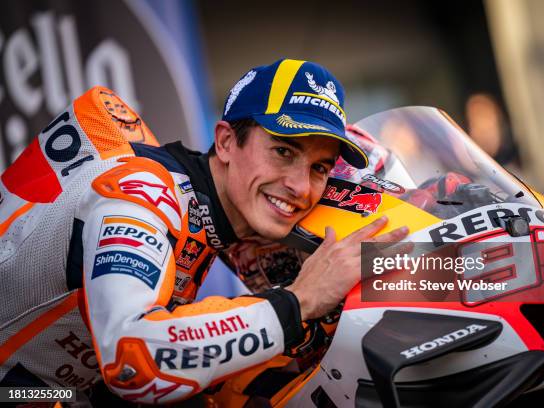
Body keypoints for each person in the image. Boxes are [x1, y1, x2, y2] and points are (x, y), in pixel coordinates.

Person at [0, 59, 408, 405]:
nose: (301, 188)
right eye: (284, 151)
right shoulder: (142, 193)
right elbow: (133, 358)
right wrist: (300, 302)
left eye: (319, 167)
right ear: (227, 142)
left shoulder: (216, 215)